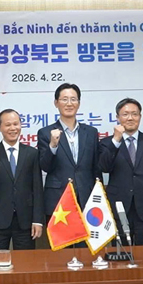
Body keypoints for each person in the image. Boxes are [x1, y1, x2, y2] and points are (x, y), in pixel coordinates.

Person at [98, 98, 143, 245]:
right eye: (125, 114)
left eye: (134, 114)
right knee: (120, 252)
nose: (130, 118)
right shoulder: (107, 143)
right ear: (118, 117)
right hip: (118, 208)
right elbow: (104, 167)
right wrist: (116, 140)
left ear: (140, 117)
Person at [0, 109, 44, 251]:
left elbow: (37, 189)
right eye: (8, 125)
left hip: (25, 220)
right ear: (0, 127)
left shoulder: (32, 153)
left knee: (26, 261)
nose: (13, 128)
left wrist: (38, 220)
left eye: (16, 124)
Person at [37, 83, 100, 214]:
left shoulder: (91, 132)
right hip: (58, 199)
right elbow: (45, 166)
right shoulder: (45, 133)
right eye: (64, 99)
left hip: (87, 198)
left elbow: (96, 168)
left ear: (79, 103)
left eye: (73, 99)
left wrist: (99, 196)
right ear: (56, 103)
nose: (69, 104)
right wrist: (52, 145)